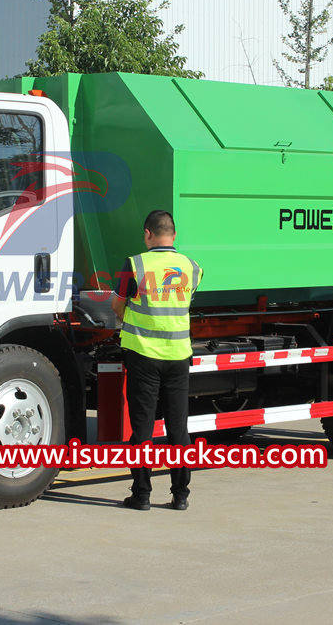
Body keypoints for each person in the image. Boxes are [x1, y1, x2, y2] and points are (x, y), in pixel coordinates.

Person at [111, 210, 202, 511]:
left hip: (143, 356)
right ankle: (181, 495)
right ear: (173, 236)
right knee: (178, 429)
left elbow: (116, 305)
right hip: (178, 356)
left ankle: (142, 495)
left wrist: (130, 321)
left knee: (142, 430)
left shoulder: (134, 264)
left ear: (147, 234)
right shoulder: (191, 267)